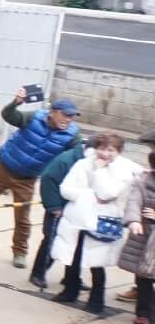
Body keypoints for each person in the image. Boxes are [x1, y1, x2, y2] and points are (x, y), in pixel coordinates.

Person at [0, 92, 82, 270]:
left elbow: (79, 155)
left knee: (22, 217)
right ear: (52, 112)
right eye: (65, 114)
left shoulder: (72, 135)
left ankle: (20, 251)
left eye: (71, 116)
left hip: (27, 179)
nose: (68, 119)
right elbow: (9, 116)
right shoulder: (34, 117)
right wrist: (16, 103)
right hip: (2, 168)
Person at [50, 131, 141, 313]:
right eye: (101, 148)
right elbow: (66, 189)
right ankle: (70, 290)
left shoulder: (124, 170)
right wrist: (88, 195)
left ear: (119, 151)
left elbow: (107, 193)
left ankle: (96, 299)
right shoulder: (82, 164)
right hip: (77, 218)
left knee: (97, 262)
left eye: (111, 150)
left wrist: (99, 172)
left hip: (103, 220)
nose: (105, 154)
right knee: (72, 257)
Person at [26, 140, 85, 289]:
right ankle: (38, 273)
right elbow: (48, 179)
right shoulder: (67, 159)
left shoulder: (90, 162)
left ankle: (72, 277)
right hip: (59, 208)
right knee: (51, 240)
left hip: (77, 210)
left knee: (77, 244)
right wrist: (54, 206)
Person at [124, 149, 155, 324]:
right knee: (143, 277)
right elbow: (134, 202)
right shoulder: (142, 181)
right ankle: (142, 312)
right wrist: (133, 220)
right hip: (144, 235)